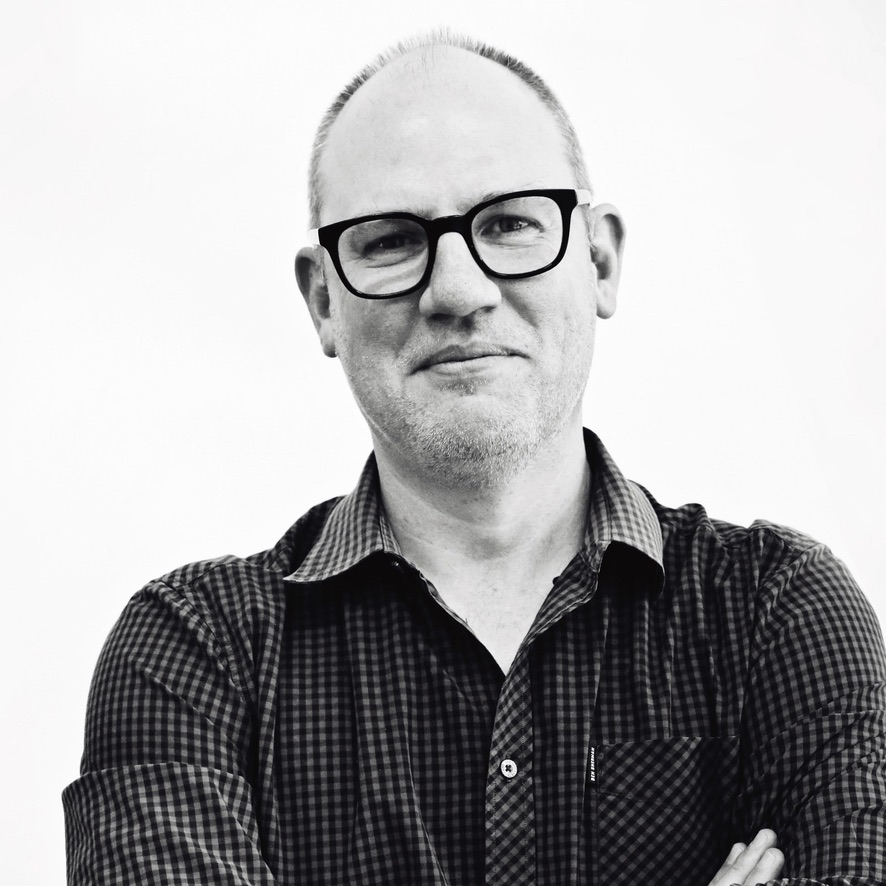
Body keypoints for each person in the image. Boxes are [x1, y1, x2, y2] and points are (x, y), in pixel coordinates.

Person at [63, 31, 886, 885]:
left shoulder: (776, 613)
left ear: (600, 261)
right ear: (323, 301)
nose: (458, 289)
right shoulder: (192, 654)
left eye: (510, 224)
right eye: (390, 241)